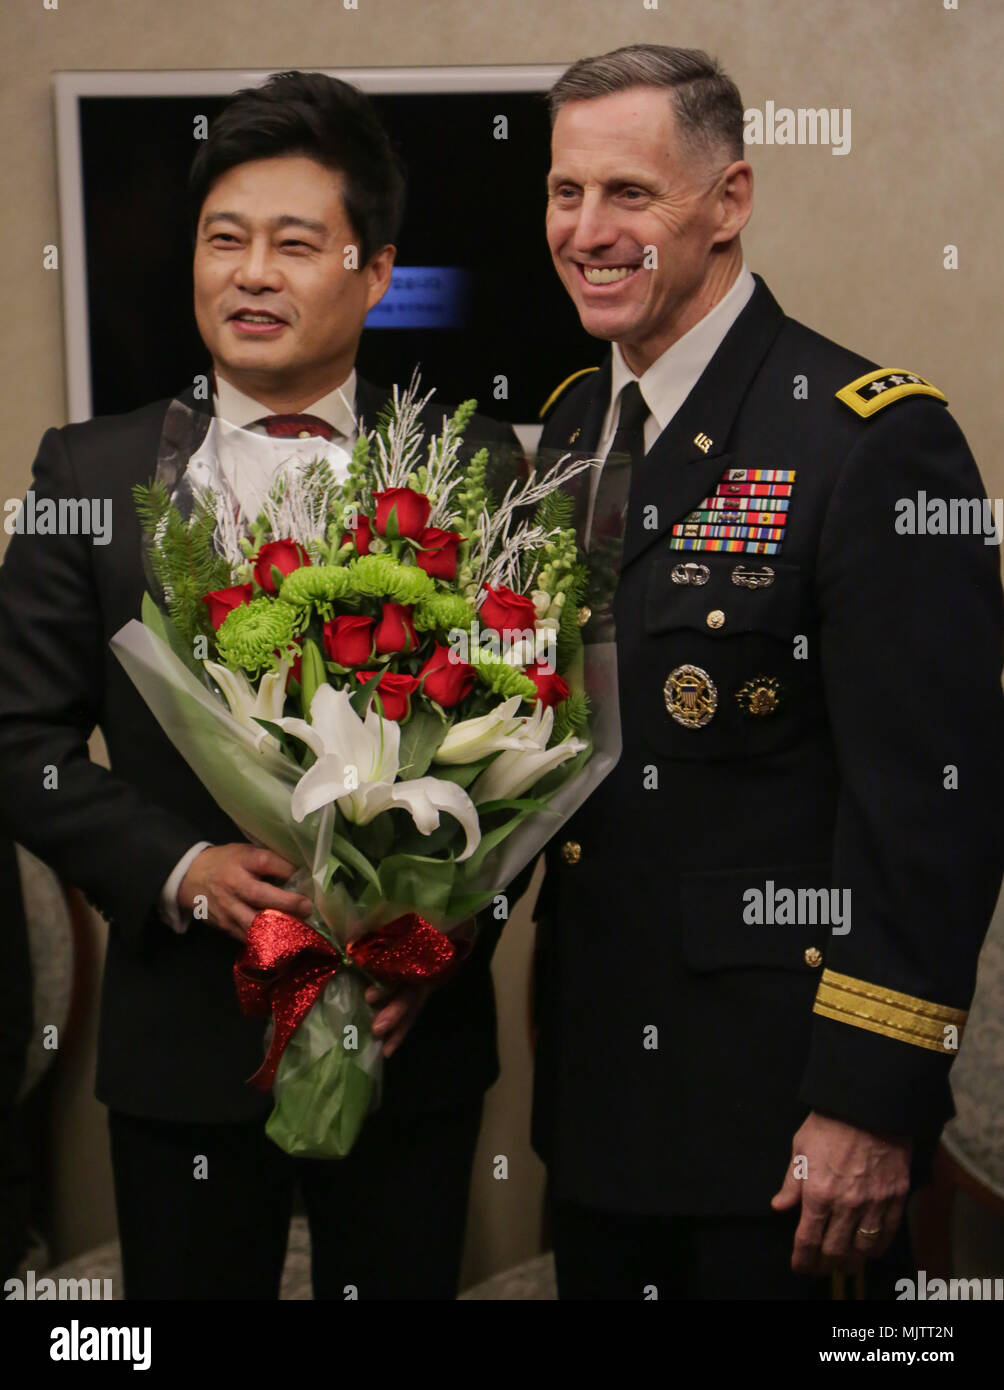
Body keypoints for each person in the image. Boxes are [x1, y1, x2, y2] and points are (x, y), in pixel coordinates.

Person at [0, 70, 516, 1300]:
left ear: (374, 272)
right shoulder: (91, 469)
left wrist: (438, 925)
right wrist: (181, 869)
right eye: (222, 240)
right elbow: (18, 737)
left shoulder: (473, 465)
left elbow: (538, 737)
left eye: (294, 244)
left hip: (408, 1039)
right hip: (187, 1042)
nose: (249, 273)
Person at [526, 44, 1004, 1299]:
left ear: (727, 201)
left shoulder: (867, 440)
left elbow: (931, 812)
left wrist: (865, 1101)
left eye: (629, 193)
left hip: (782, 1129)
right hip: (598, 1105)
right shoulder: (577, 423)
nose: (586, 230)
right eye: (564, 192)